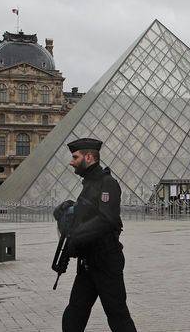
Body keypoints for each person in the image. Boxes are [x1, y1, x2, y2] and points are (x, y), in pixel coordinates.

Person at [55, 138, 137, 332]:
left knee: (118, 316)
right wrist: (68, 209)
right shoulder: (90, 184)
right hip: (88, 262)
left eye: (75, 157)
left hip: (106, 261)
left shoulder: (107, 183)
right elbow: (90, 212)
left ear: (89, 157)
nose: (71, 162)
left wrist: (77, 237)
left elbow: (107, 218)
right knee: (74, 315)